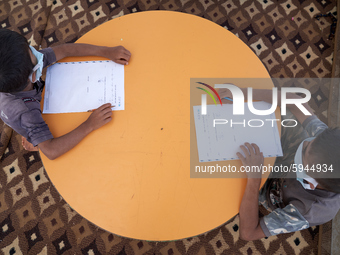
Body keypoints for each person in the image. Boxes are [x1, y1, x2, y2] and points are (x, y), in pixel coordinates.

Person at [219, 86, 340, 241]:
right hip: (282, 151)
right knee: (283, 114)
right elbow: (296, 102)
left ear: (312, 184)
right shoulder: (327, 146)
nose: (303, 145)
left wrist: (254, 179)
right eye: (309, 143)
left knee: (223, 181)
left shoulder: (309, 210)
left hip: (268, 188)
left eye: (304, 156)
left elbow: (248, 233)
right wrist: (243, 93)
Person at [0, 29, 131, 160]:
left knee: (30, 124)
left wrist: (106, 52)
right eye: (31, 52)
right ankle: (33, 139)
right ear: (33, 75)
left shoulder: (23, 66)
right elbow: (51, 151)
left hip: (17, 105)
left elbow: (64, 50)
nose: (36, 52)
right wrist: (89, 124)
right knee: (35, 132)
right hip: (20, 114)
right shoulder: (27, 112)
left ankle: (33, 134)